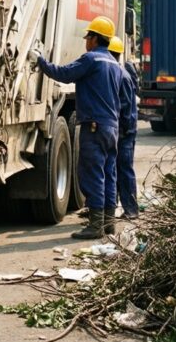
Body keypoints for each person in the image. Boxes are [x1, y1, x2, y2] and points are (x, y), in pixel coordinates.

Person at [31, 16, 123, 239]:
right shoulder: (115, 65)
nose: (85, 41)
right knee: (109, 174)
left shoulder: (91, 60)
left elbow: (64, 74)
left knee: (93, 175)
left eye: (88, 36)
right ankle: (109, 224)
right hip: (111, 127)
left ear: (95, 39)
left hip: (94, 126)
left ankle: (95, 226)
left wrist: (40, 61)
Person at [109, 36, 139, 219]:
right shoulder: (120, 72)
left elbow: (126, 106)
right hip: (123, 129)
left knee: (124, 168)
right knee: (119, 168)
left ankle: (131, 210)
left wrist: (123, 130)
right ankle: (121, 207)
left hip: (125, 131)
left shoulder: (122, 75)